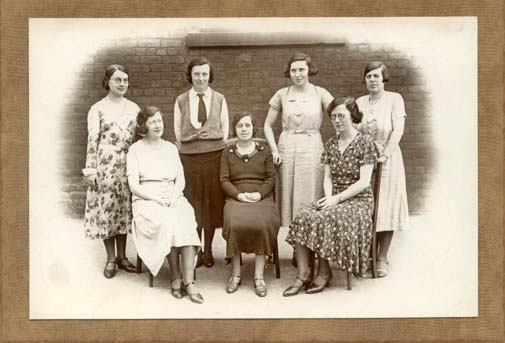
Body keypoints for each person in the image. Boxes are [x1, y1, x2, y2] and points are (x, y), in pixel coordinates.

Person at [283, 96, 378, 296]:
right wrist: (329, 197)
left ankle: (324, 273)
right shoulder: (331, 143)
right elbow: (327, 177)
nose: (337, 120)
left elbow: (363, 182)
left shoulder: (365, 143)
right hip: (334, 197)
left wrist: (336, 200)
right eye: (333, 117)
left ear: (352, 116)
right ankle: (303, 273)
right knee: (304, 215)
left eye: (341, 116)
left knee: (323, 217)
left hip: (358, 201)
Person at [127, 106, 204, 304]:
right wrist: (155, 199)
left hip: (171, 194)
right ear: (143, 125)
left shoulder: (170, 148)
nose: (157, 125)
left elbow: (181, 180)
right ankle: (175, 277)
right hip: (146, 198)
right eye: (152, 121)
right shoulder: (135, 150)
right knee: (167, 221)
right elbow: (134, 186)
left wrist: (174, 196)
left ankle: (189, 281)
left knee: (185, 217)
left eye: (159, 120)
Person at [263, 52, 334, 266]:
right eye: (293, 70)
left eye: (301, 69)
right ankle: (295, 247)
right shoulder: (282, 94)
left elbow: (340, 112)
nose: (297, 74)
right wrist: (275, 150)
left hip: (312, 147)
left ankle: (308, 247)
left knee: (309, 196)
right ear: (289, 72)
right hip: (287, 147)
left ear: (309, 70)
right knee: (289, 197)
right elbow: (267, 125)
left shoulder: (320, 93)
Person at [82, 64, 140, 279]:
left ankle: (123, 257)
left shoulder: (134, 108)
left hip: (127, 163)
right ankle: (110, 258)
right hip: (105, 164)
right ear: (108, 82)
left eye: (125, 80)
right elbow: (92, 140)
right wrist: (91, 170)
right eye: (118, 80)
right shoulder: (97, 108)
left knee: (123, 209)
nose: (122, 84)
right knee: (107, 209)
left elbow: (139, 138)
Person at [174, 57, 229, 268]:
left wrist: (212, 143)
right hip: (189, 158)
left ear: (210, 75)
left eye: (204, 74)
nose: (200, 78)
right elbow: (178, 132)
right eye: (196, 74)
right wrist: (190, 145)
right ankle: (194, 249)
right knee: (193, 204)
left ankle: (209, 250)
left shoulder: (219, 98)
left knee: (212, 204)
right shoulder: (181, 100)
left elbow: (224, 130)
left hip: (214, 156)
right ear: (191, 76)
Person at [356, 61, 409, 277]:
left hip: (389, 156)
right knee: (367, 206)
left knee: (386, 206)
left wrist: (385, 153)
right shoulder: (360, 101)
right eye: (369, 76)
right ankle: (367, 255)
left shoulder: (395, 99)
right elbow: (355, 128)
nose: (372, 80)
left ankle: (382, 257)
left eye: (376, 76)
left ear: (384, 78)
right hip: (365, 158)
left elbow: (398, 129)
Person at [220, 112, 280, 297]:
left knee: (261, 224)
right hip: (237, 198)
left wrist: (259, 194)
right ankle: (236, 274)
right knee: (235, 223)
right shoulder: (227, 152)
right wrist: (239, 196)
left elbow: (271, 178)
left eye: (247, 125)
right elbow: (224, 180)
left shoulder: (264, 150)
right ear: (234, 129)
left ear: (253, 128)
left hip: (261, 198)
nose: (244, 129)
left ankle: (259, 276)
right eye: (240, 126)